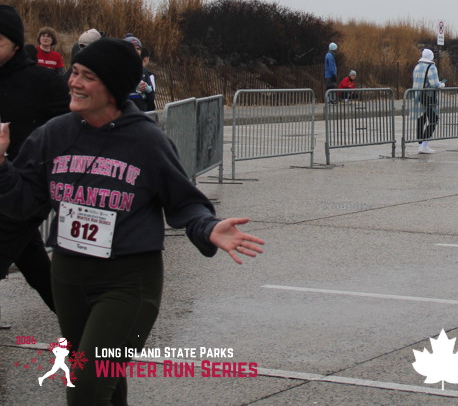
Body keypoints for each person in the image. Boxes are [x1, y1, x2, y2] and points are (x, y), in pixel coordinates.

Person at [0, 37, 264, 405]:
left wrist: (208, 227)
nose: (74, 82)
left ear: (112, 87)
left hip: (126, 283)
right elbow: (23, 203)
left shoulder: (147, 141)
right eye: (74, 73)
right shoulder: (53, 134)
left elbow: (185, 202)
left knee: (86, 389)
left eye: (88, 76)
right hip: (69, 278)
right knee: (105, 384)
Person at [0, 5, 69, 314]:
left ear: (15, 44)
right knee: (33, 261)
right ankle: (82, 321)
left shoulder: (42, 81)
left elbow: (75, 124)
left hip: (24, 190)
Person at [412, 49, 445, 154]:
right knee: (433, 120)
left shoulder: (417, 67)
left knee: (420, 121)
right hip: (428, 98)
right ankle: (424, 145)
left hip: (418, 97)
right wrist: (442, 84)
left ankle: (420, 144)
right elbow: (435, 84)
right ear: (431, 57)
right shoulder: (431, 67)